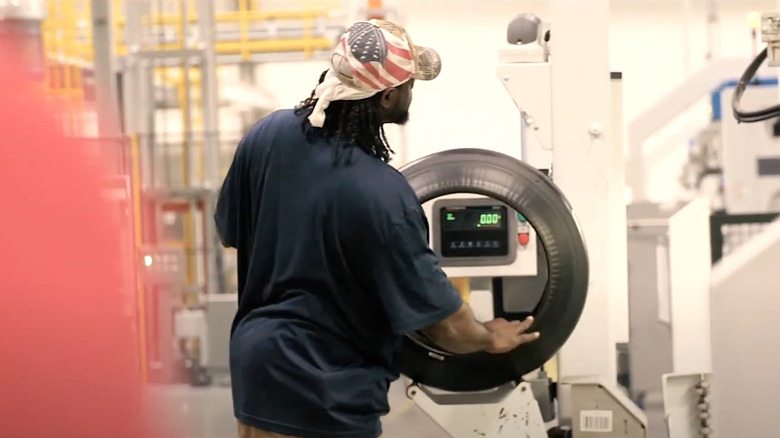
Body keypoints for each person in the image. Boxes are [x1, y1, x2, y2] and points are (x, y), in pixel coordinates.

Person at [215, 19, 540, 438]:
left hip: (258, 372)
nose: (411, 93)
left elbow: (230, 232)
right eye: (408, 85)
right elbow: (445, 325)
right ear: (387, 97)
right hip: (325, 389)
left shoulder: (267, 135)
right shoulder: (382, 194)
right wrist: (488, 337)